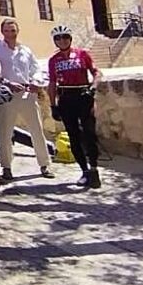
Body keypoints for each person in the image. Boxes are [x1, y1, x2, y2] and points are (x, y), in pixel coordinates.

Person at [0, 18, 53, 180]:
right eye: (7, 31)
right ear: (2, 32)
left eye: (13, 30)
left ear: (17, 31)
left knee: (37, 130)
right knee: (5, 133)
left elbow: (36, 69)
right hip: (7, 95)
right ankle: (6, 167)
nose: (10, 34)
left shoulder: (25, 50)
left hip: (27, 93)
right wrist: (9, 84)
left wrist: (36, 82)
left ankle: (44, 164)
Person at [48, 25, 102, 189]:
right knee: (74, 135)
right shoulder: (54, 60)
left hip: (83, 96)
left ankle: (94, 168)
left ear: (70, 39)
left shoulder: (82, 54)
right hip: (66, 98)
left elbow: (96, 72)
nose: (62, 40)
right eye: (58, 38)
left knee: (90, 133)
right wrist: (52, 105)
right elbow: (52, 83)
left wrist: (93, 88)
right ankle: (84, 171)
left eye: (65, 37)